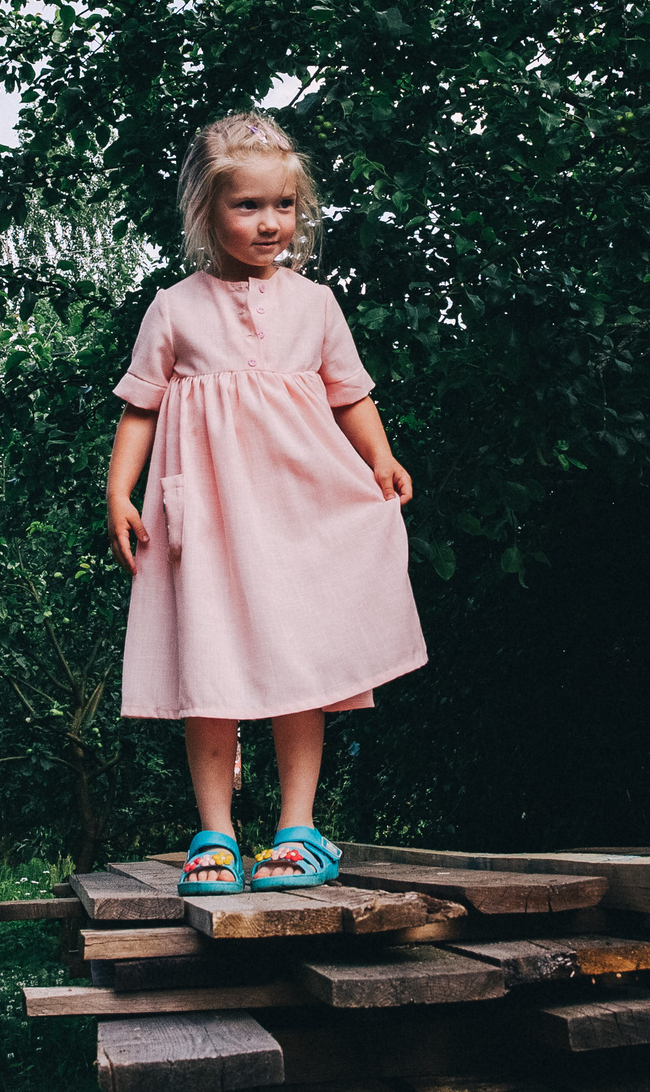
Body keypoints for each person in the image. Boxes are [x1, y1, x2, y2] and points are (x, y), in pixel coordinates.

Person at [105, 113, 427, 895]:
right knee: (208, 665)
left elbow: (350, 393)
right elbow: (141, 408)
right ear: (207, 211)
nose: (270, 221)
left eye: (284, 205)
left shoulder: (315, 306)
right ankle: (213, 832)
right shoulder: (174, 309)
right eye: (248, 205)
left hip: (297, 517)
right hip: (206, 524)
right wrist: (119, 488)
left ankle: (297, 828)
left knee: (299, 664)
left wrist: (379, 458)